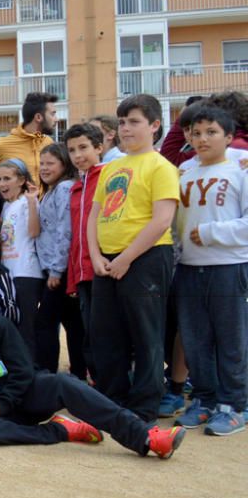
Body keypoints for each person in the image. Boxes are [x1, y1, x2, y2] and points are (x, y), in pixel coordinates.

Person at [0, 282, 186, 458]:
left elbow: (23, 369)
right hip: (4, 413)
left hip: (27, 392)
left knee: (64, 383)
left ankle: (147, 437)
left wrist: (3, 402)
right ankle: (60, 430)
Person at [87, 94, 179, 423]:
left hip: (146, 258)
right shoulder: (111, 168)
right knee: (106, 334)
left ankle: (143, 407)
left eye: (134, 122)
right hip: (106, 262)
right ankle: (113, 403)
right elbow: (94, 215)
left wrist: (126, 258)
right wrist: (95, 255)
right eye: (122, 122)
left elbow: (162, 220)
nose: (126, 129)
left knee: (146, 335)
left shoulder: (162, 167)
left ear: (154, 126)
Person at [172, 106, 248, 435]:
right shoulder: (184, 170)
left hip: (229, 266)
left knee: (231, 339)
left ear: (229, 137)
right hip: (189, 266)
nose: (202, 139)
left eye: (211, 132)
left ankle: (235, 404)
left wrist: (209, 233)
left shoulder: (241, 168)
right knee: (195, 339)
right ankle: (203, 399)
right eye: (196, 132)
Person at [34, 143, 84, 377]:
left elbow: (65, 229)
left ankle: (46, 372)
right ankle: (79, 371)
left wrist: (56, 270)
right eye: (41, 163)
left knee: (46, 322)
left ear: (64, 164)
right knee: (72, 322)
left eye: (50, 163)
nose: (44, 168)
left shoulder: (64, 188)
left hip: (60, 270)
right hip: (55, 267)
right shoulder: (52, 190)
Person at [64, 122, 105, 378]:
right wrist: (72, 278)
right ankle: (97, 384)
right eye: (72, 150)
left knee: (106, 333)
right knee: (89, 333)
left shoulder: (108, 177)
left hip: (103, 267)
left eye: (83, 148)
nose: (78, 155)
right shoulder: (76, 188)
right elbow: (74, 237)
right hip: (82, 273)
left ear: (99, 147)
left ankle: (113, 386)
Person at [0, 158, 44, 359]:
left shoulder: (27, 202)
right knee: (14, 326)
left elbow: (33, 231)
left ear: (21, 180)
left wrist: (33, 202)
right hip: (11, 273)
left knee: (27, 328)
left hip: (27, 273)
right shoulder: (8, 206)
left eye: (7, 178)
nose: (1, 184)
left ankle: (33, 372)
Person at [0, 92, 57, 180]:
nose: (56, 119)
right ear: (38, 117)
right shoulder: (1, 146)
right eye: (52, 114)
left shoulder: (49, 143)